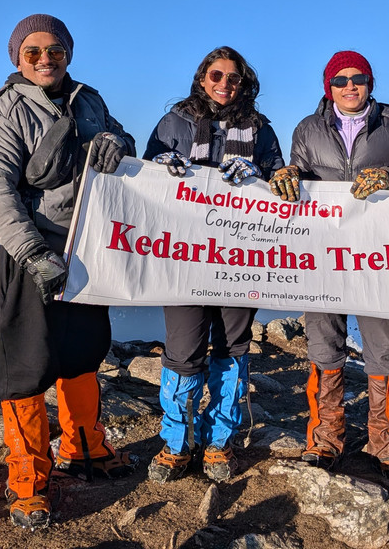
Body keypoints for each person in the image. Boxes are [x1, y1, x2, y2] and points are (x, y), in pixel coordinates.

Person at [0, 13, 137, 530]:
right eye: (33, 51)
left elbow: (119, 140)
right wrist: (33, 253)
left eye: (55, 48)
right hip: (32, 252)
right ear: (17, 57)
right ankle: (28, 479)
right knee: (26, 363)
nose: (45, 58)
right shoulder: (1, 112)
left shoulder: (87, 98)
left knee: (83, 348)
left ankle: (84, 447)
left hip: (86, 244)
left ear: (68, 52)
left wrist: (119, 143)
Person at [269, 50, 389, 487]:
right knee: (324, 344)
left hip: (375, 256)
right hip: (322, 254)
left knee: (383, 348)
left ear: (370, 83)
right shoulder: (308, 129)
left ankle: (388, 445)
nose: (350, 85)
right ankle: (326, 439)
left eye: (359, 78)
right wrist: (287, 172)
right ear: (328, 87)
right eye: (340, 79)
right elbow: (300, 178)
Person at [142, 46, 285, 483]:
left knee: (231, 348)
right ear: (203, 77)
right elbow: (141, 180)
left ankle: (219, 443)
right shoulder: (174, 123)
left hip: (240, 258)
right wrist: (158, 166)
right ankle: (177, 442)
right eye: (217, 75)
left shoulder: (260, 130)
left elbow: (281, 179)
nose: (225, 84)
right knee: (183, 350)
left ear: (244, 83)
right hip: (184, 257)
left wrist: (260, 177)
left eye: (234, 78)